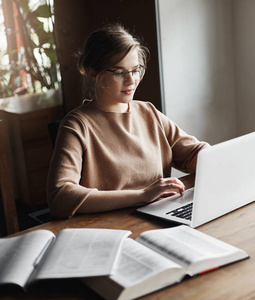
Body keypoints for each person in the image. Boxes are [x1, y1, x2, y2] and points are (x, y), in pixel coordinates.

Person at [47, 24, 209, 218]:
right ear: (93, 73)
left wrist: (214, 156)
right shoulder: (77, 125)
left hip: (159, 218)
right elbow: (60, 196)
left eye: (135, 69)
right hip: (111, 227)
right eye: (119, 72)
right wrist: (142, 195)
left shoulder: (149, 112)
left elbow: (195, 154)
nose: (131, 80)